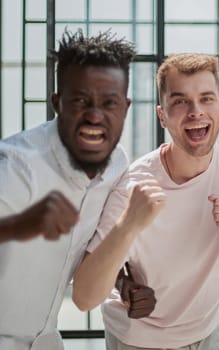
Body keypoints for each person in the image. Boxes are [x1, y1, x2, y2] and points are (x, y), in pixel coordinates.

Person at [71, 53, 219, 349]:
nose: (196, 111)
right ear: (162, 116)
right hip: (138, 339)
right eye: (180, 101)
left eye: (206, 99)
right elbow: (84, 297)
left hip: (208, 332)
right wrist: (128, 226)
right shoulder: (134, 186)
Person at [0, 29, 136, 349]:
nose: (94, 116)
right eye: (80, 100)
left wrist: (119, 277)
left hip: (47, 339)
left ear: (125, 107)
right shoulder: (16, 165)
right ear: (57, 103)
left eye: (109, 102)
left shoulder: (117, 164)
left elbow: (85, 250)